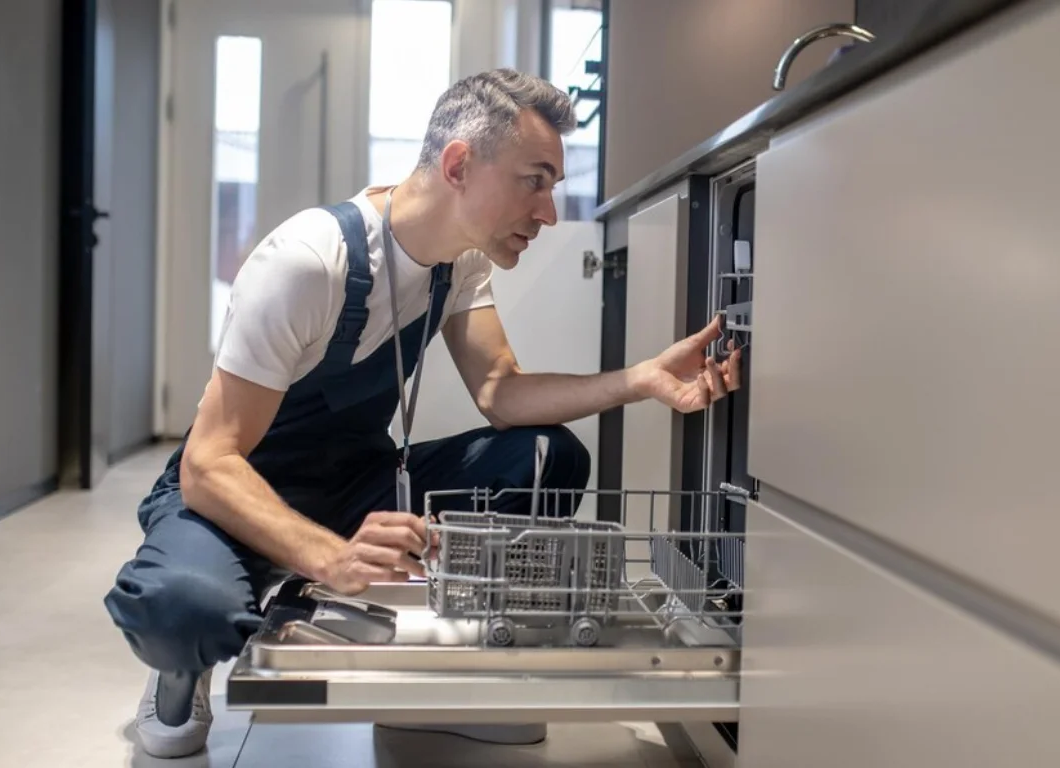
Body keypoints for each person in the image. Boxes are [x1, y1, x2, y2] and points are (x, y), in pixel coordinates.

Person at [103, 68, 743, 759]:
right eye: (536, 179)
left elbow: (502, 392)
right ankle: (180, 670)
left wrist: (639, 379)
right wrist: (328, 555)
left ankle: (443, 681)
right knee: (184, 609)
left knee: (547, 455)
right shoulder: (308, 261)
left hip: (354, 483)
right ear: (459, 164)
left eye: (553, 185)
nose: (551, 212)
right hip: (235, 491)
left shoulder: (460, 264)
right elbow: (208, 463)